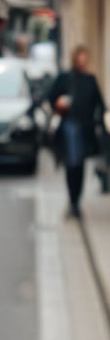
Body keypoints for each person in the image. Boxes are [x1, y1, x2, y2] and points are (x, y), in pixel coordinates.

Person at [49, 45, 106, 218]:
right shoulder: (65, 78)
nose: (82, 61)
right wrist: (58, 103)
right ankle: (73, 200)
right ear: (75, 58)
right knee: (71, 165)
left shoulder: (90, 80)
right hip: (69, 128)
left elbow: (100, 105)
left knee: (79, 166)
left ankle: (76, 202)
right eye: (80, 57)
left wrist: (100, 125)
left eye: (85, 57)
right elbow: (51, 97)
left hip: (85, 129)